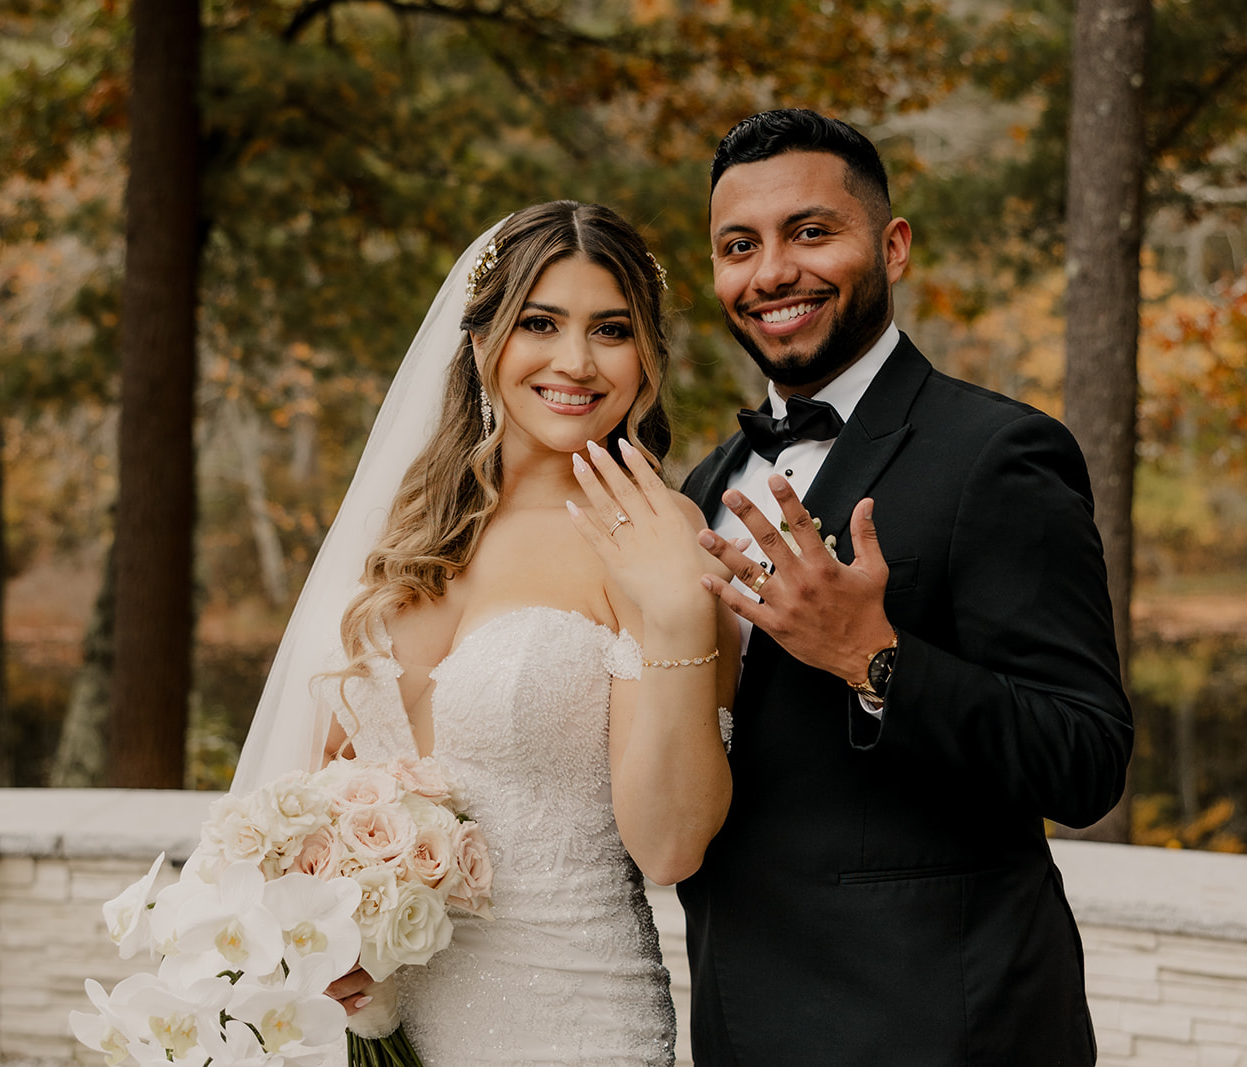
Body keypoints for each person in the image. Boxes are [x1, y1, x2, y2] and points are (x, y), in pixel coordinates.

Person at [232, 200, 738, 1065]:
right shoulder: (403, 530)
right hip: (388, 1025)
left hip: (572, 1018)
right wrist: (325, 945)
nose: (575, 361)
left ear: (646, 357)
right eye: (540, 322)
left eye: (610, 330)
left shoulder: (653, 530)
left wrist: (682, 614)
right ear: (480, 342)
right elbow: (318, 792)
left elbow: (669, 844)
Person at [677, 108, 1134, 1064]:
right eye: (738, 245)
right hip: (738, 1020)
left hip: (943, 1025)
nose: (771, 273)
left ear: (892, 248)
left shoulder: (998, 454)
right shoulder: (704, 486)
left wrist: (871, 657)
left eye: (810, 231)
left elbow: (1086, 760)